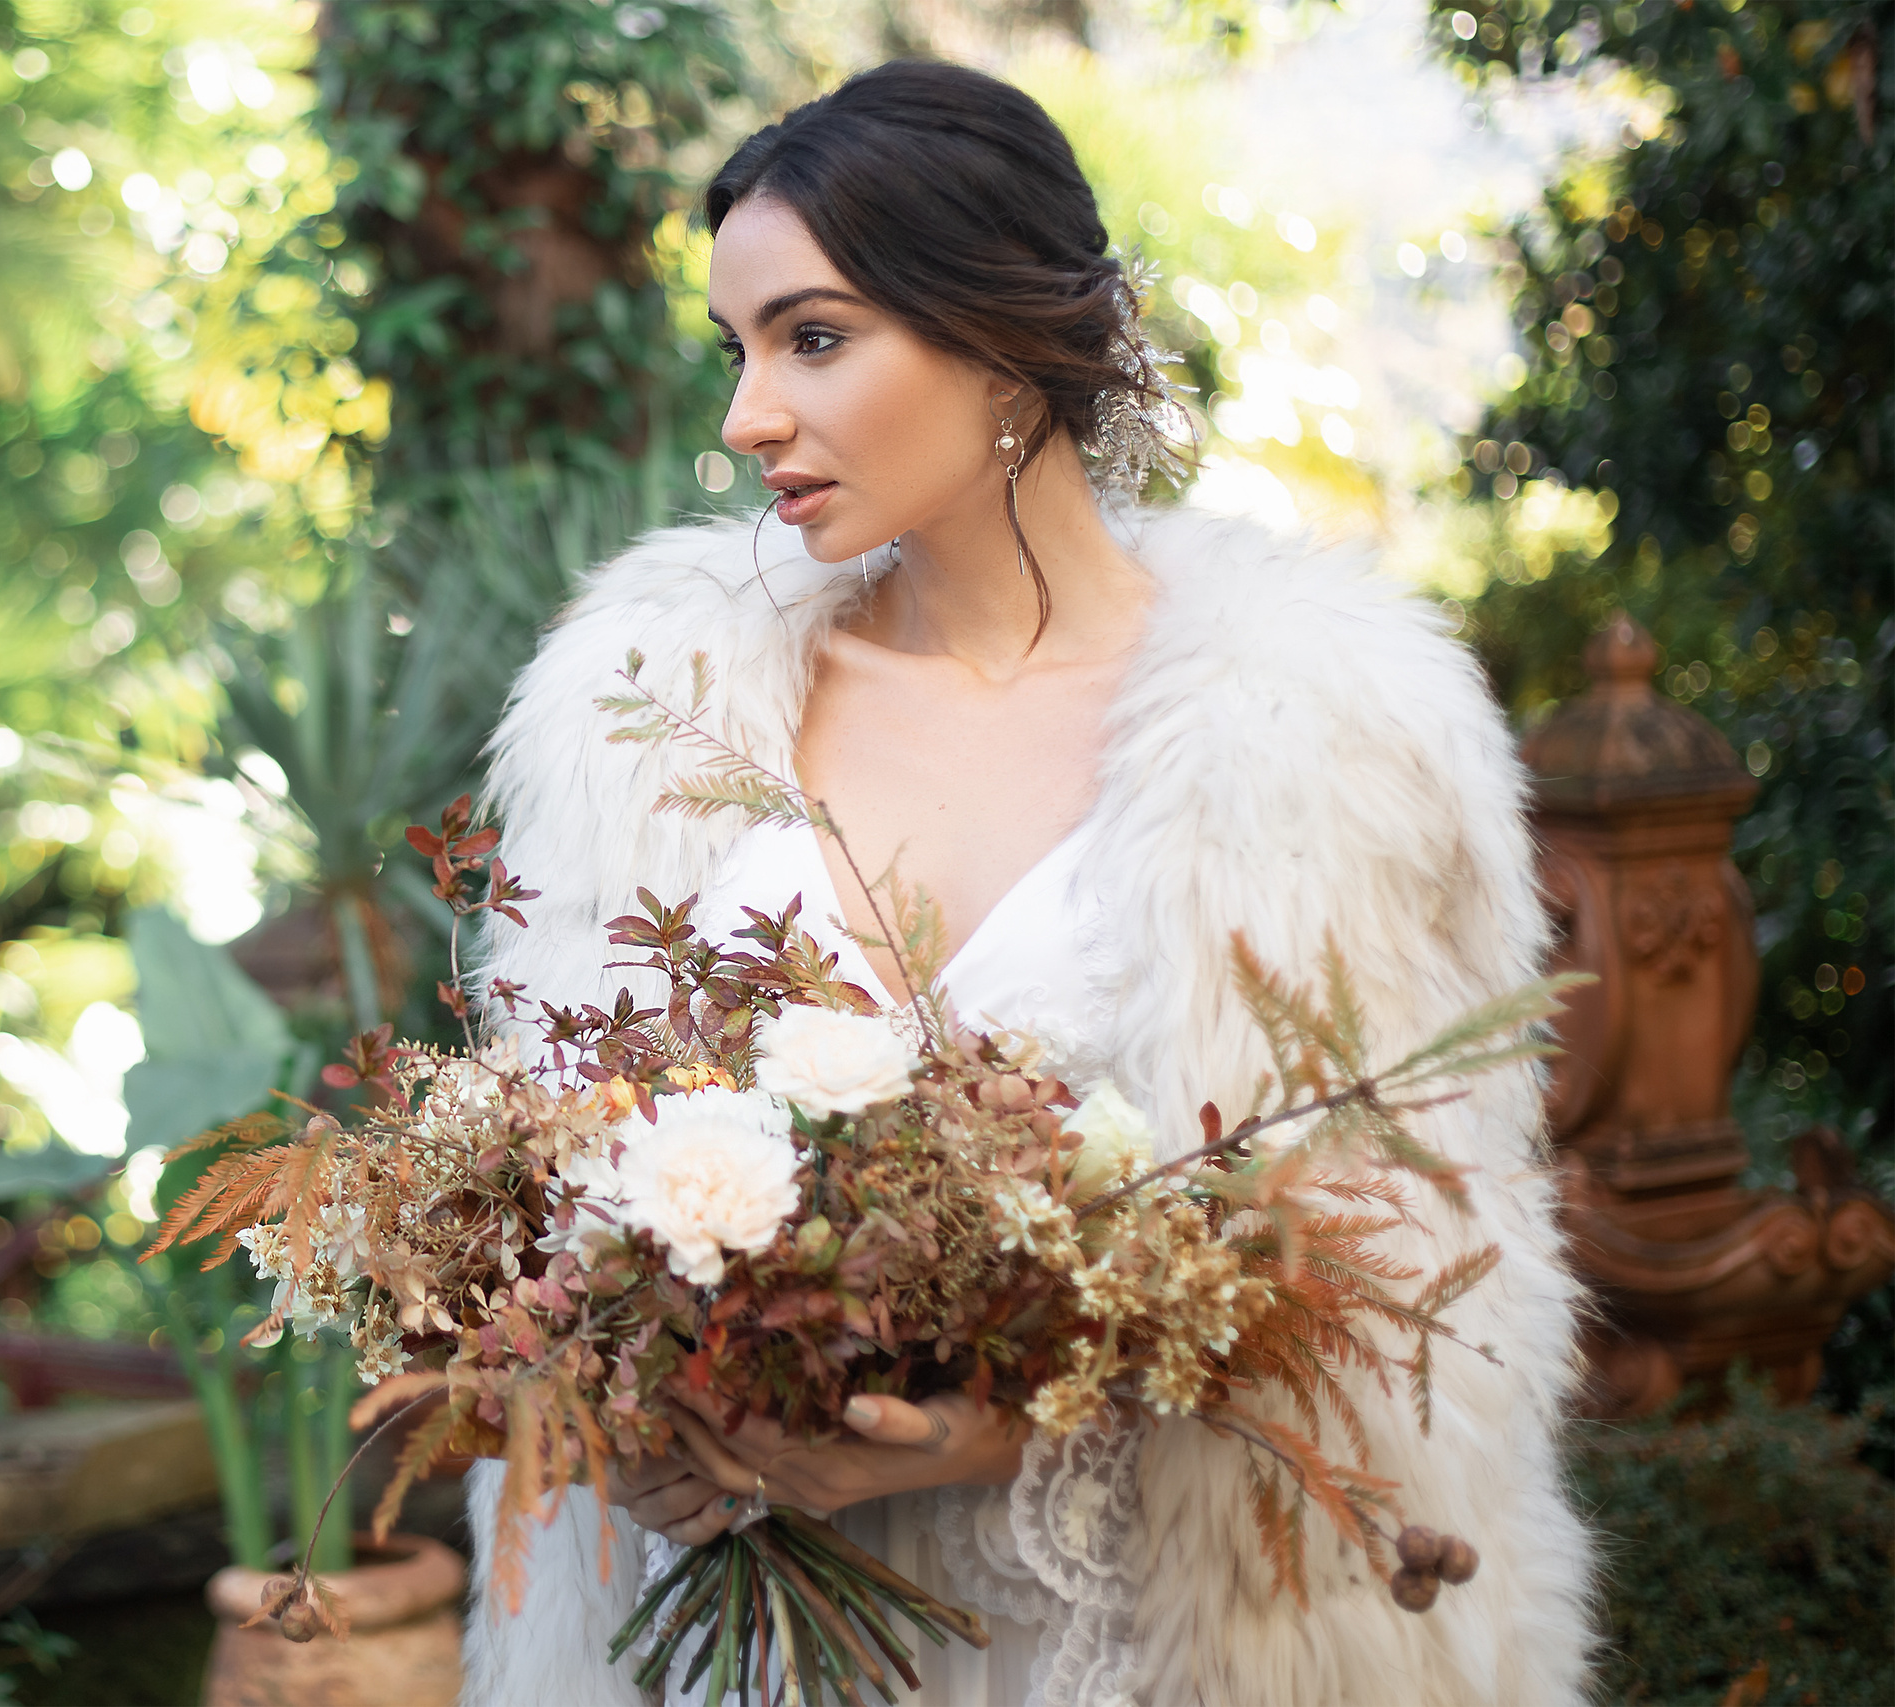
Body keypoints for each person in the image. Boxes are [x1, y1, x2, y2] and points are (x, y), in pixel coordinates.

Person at [463, 60, 1593, 1707]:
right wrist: (637, 1415)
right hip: (740, 1636)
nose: (746, 415)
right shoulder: (636, 725)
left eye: (815, 338)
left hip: (1129, 1632)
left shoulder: (1331, 742)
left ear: (996, 337)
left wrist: (1014, 1417)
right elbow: (549, 1182)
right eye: (739, 350)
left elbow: (1398, 1266)